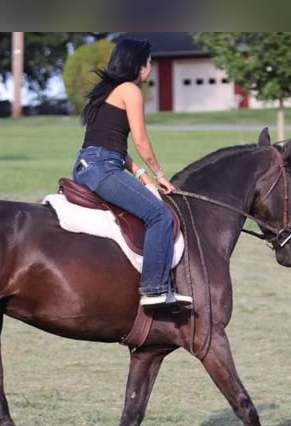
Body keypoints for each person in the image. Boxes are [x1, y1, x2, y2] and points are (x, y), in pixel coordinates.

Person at [71, 38, 192, 309]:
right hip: (102, 168)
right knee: (159, 215)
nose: (150, 68)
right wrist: (159, 174)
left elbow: (109, 144)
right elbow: (141, 141)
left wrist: (141, 176)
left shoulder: (108, 90)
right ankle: (154, 289)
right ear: (138, 64)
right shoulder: (130, 90)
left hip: (90, 164)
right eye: (149, 62)